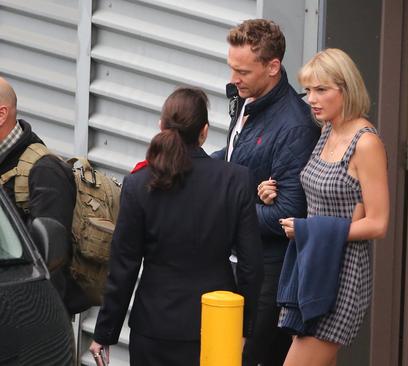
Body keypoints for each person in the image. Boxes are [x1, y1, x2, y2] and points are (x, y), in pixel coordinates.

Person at [89, 87, 263, 366]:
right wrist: (244, 327)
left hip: (155, 326)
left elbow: (123, 267)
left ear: (161, 126)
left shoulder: (139, 183)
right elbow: (251, 265)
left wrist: (105, 333)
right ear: (204, 132)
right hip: (216, 322)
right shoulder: (236, 179)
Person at [258, 48, 389, 365]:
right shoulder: (327, 129)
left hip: (342, 275)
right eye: (308, 90)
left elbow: (378, 223)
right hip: (309, 266)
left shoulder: (366, 142)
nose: (312, 99)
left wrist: (308, 229)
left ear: (346, 89)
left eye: (321, 90)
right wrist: (268, 192)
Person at [212, 19, 320, 366]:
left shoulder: (295, 127)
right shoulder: (247, 96)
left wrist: (224, 207)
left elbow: (288, 215)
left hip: (265, 278)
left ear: (273, 67)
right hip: (233, 264)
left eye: (242, 71)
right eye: (231, 68)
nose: (233, 79)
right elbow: (233, 158)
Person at [0, 76, 91, 315]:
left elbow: (54, 263)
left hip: (27, 320)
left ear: (1, 114)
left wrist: (41, 328)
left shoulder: (44, 171)